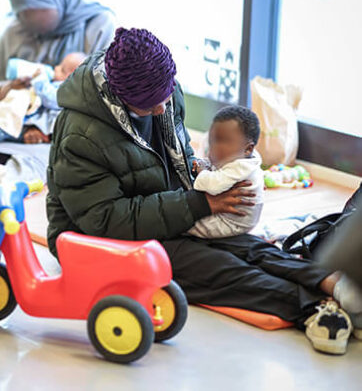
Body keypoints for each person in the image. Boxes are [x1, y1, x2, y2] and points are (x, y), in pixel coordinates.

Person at [46, 26, 362, 355]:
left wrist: (214, 182)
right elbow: (105, 220)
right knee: (212, 267)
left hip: (156, 209)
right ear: (122, 97)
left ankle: (329, 280)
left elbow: (178, 155)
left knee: (241, 244)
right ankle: (314, 307)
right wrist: (199, 204)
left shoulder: (162, 93)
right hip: (91, 239)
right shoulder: (81, 136)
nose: (161, 109)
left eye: (164, 96)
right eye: (150, 104)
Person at [0, 0, 115, 145]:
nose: (29, 20)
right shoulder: (14, 32)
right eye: (22, 13)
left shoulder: (98, 25)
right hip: (11, 129)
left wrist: (44, 124)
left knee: (21, 169)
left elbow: (104, 97)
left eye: (36, 10)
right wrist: (8, 90)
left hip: (71, 136)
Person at [0, 52, 86, 144]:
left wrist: (39, 78)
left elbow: (49, 97)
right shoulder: (55, 84)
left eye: (62, 70)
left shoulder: (65, 92)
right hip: (26, 118)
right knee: (0, 116)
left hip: (32, 124)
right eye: (59, 65)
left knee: (3, 129)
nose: (56, 68)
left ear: (72, 79)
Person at [187, 106, 264, 239]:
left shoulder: (240, 166)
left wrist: (202, 171)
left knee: (187, 225)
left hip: (231, 222)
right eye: (212, 141)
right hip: (233, 216)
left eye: (224, 142)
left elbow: (212, 185)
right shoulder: (242, 157)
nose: (214, 148)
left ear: (248, 149)